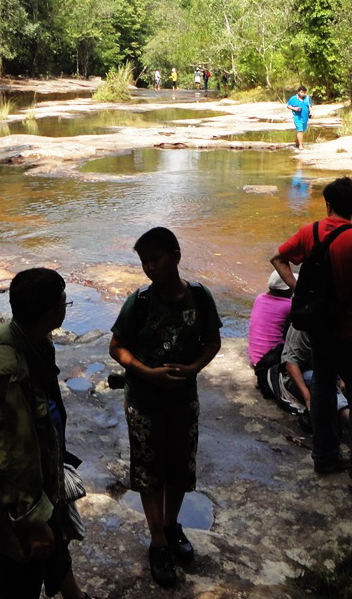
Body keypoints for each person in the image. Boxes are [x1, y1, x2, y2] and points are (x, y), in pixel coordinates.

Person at [0, 268, 94, 599]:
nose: (65, 306)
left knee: (55, 549)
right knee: (17, 575)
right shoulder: (9, 372)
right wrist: (32, 519)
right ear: (49, 314)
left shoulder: (30, 339)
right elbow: (9, 458)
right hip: (13, 501)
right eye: (64, 302)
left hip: (43, 480)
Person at [270, 176, 352, 498]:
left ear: (327, 203)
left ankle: (325, 457)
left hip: (316, 327)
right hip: (348, 329)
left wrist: (298, 288)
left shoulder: (309, 232)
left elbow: (278, 258)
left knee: (325, 387)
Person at [110, 227, 222, 588]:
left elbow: (213, 341)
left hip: (183, 400)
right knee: (148, 469)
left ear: (175, 255)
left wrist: (193, 369)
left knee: (178, 467)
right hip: (144, 401)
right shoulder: (139, 301)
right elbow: (117, 347)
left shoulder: (200, 298)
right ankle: (157, 541)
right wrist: (147, 373)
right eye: (144, 262)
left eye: (155, 259)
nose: (149, 268)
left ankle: (172, 526)